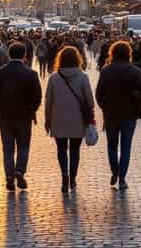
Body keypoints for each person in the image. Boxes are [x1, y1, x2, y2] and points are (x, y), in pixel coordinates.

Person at [0, 42, 42, 192]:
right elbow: (37, 97)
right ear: (24, 55)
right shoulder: (31, 74)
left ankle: (9, 177)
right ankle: (19, 170)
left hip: (5, 116)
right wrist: (31, 110)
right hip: (24, 116)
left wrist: (0, 106)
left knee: (8, 149)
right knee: (24, 146)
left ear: (9, 54)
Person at [96, 41, 141, 190]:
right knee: (126, 147)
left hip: (111, 114)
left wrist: (104, 107)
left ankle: (114, 171)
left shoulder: (106, 71)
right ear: (128, 53)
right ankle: (122, 178)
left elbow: (99, 94)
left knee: (112, 146)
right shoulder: (136, 71)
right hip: (129, 114)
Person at [45, 45, 94, 193]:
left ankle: (64, 176)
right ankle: (73, 178)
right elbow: (90, 101)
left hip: (58, 119)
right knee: (74, 150)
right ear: (77, 59)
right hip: (78, 119)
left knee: (61, 150)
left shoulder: (54, 78)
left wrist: (47, 119)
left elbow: (48, 101)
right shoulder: (83, 77)